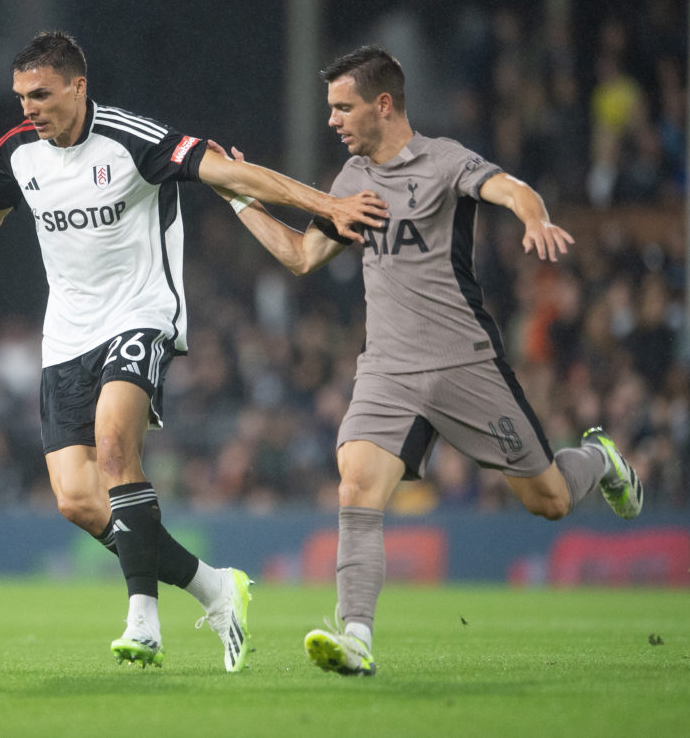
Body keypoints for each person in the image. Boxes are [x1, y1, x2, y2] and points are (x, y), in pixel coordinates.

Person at [0, 30, 385, 671]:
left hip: (139, 315)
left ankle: (144, 622)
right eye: (20, 97)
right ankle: (214, 587)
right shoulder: (17, 152)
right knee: (76, 499)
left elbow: (234, 172)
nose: (28, 109)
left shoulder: (133, 139)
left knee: (114, 446)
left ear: (78, 86)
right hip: (65, 334)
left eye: (40, 94)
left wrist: (329, 203)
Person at [208, 45, 644, 676]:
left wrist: (535, 217)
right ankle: (355, 638)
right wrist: (239, 198)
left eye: (343, 106)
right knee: (356, 485)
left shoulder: (444, 162)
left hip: (464, 362)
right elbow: (303, 257)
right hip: (386, 369)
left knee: (547, 498)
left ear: (383, 104)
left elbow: (510, 187)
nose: (332, 120)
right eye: (330, 107)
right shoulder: (351, 180)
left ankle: (599, 459)